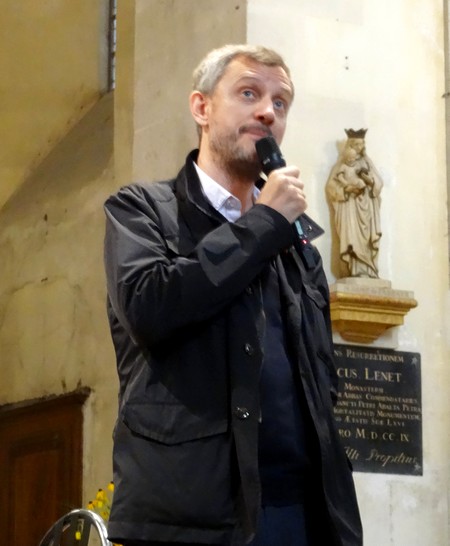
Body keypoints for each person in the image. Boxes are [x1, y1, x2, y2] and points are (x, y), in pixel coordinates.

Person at [103, 44, 362, 546]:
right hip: (191, 516)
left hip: (301, 513)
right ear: (201, 108)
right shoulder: (142, 210)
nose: (268, 110)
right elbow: (151, 307)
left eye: (280, 102)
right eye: (249, 93)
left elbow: (320, 371)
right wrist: (263, 221)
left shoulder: (297, 240)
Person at [326, 129, 383, 278]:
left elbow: (378, 183)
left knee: (366, 240)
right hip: (350, 207)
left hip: (367, 206)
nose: (359, 147)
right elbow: (332, 186)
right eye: (356, 144)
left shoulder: (366, 163)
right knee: (352, 237)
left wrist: (370, 182)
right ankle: (354, 268)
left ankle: (369, 269)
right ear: (351, 145)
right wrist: (347, 189)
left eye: (361, 144)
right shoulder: (343, 165)